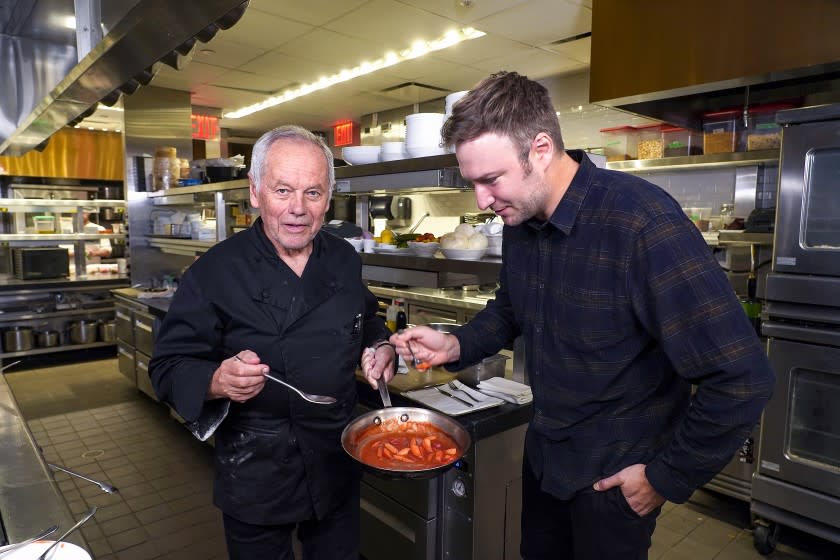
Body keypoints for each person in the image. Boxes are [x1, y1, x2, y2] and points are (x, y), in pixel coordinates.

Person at [384, 72, 774, 560]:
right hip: (546, 460)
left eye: (491, 179)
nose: (482, 200)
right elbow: (511, 308)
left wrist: (664, 477)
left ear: (541, 149)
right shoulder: (522, 224)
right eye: (473, 183)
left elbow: (741, 377)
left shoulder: (641, 223)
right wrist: (458, 344)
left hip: (614, 483)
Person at [149, 125, 395, 560]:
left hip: (336, 452)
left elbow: (367, 317)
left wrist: (382, 346)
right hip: (257, 466)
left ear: (328, 197)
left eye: (313, 193)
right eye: (283, 190)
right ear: (256, 191)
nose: (298, 209)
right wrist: (216, 380)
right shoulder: (216, 271)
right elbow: (168, 366)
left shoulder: (342, 257)